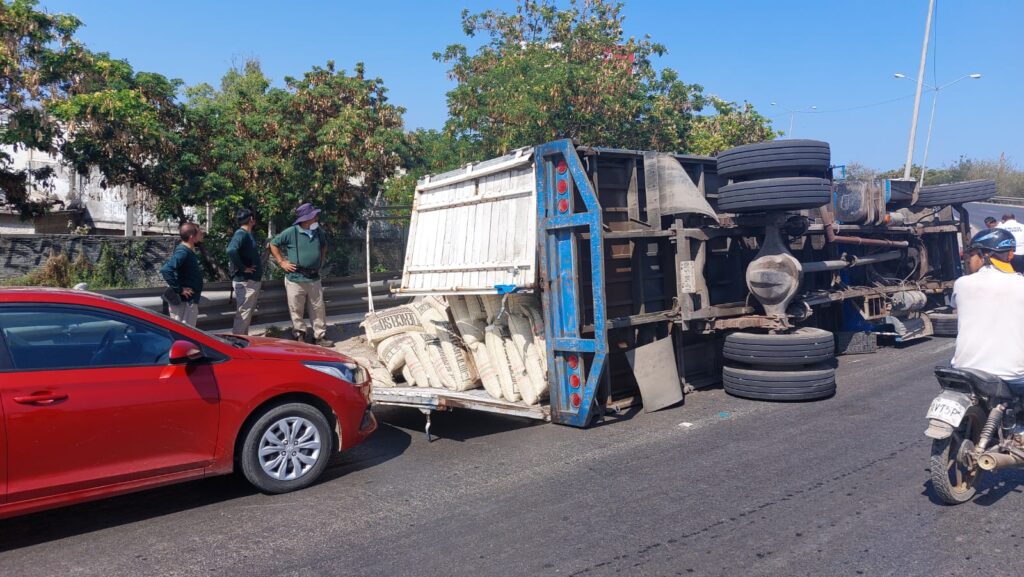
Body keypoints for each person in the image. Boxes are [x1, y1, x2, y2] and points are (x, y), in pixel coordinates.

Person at [951, 228, 1024, 386]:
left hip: (963, 369)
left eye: (971, 254)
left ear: (983, 256)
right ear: (1009, 255)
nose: (969, 259)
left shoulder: (961, 284)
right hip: (1012, 377)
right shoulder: (1021, 284)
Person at [270, 203, 334, 347]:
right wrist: (282, 262)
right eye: (314, 216)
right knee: (296, 308)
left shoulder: (318, 232)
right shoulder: (291, 232)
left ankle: (319, 337)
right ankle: (300, 335)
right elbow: (273, 244)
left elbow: (324, 246)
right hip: (295, 279)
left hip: (314, 278)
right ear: (307, 219)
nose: (317, 218)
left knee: (318, 308)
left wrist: (321, 261)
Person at [226, 208, 263, 335]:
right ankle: (237, 343)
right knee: (243, 314)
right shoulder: (241, 234)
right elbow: (231, 250)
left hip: (249, 282)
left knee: (246, 314)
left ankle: (242, 339)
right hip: (246, 282)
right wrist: (243, 268)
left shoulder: (247, 234)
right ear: (251, 219)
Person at [160, 222, 204, 326]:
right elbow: (166, 270)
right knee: (184, 336)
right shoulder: (183, 252)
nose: (201, 233)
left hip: (187, 303)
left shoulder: (187, 250)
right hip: (184, 304)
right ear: (192, 237)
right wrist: (179, 289)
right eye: (199, 232)